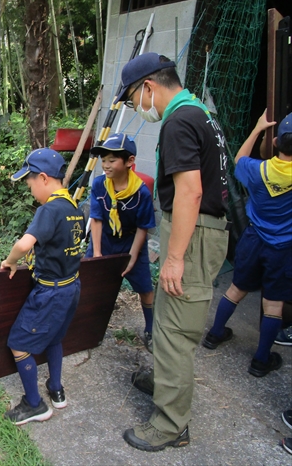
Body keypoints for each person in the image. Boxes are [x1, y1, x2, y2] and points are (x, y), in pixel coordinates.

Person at [114, 53, 230, 451]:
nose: (135, 108)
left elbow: (191, 191)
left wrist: (176, 256)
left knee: (176, 331)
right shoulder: (199, 111)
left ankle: (171, 424)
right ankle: (165, 383)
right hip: (194, 232)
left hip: (194, 235)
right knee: (167, 319)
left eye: (132, 99)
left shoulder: (179, 120)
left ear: (148, 87)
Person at [201, 111, 292, 376]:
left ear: (276, 143)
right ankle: (260, 360)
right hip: (283, 248)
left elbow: (239, 159)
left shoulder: (257, 170)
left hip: (253, 239)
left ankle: (215, 335)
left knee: (236, 289)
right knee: (273, 304)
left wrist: (258, 128)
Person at [0, 148, 84, 425]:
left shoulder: (49, 210)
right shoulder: (74, 209)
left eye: (30, 183)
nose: (30, 190)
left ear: (44, 178)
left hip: (50, 292)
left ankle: (34, 404)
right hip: (71, 287)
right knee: (55, 338)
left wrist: (11, 262)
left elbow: (24, 244)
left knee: (18, 344)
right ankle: (56, 389)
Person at [84, 133, 156, 351]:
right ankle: (83, 326)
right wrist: (97, 254)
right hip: (104, 240)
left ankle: (151, 329)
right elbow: (96, 219)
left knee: (145, 288)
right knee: (87, 282)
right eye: (103, 160)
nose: (106, 165)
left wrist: (132, 258)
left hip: (130, 242)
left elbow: (143, 228)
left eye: (112, 160)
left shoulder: (141, 192)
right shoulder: (99, 185)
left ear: (129, 162)